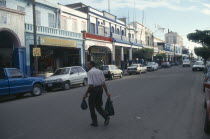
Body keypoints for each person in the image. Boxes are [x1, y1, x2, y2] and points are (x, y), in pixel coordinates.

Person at [83, 61, 111, 127]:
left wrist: (86, 94)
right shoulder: (99, 71)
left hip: (94, 90)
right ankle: (106, 116)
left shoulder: (90, 72)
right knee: (98, 105)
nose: (86, 66)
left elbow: (91, 85)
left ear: (91, 65)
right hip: (100, 89)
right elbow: (103, 83)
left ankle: (95, 122)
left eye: (87, 65)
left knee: (91, 106)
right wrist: (107, 92)